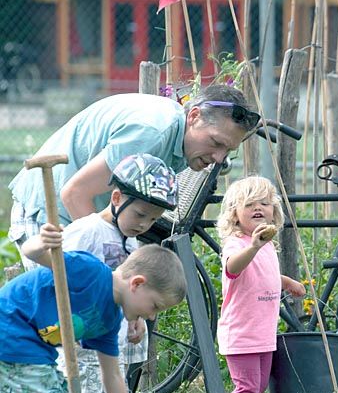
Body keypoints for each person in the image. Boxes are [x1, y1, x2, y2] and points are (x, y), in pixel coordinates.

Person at [8, 83, 259, 263]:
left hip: (77, 214)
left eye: (228, 150)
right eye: (216, 142)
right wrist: (108, 263)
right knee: (62, 322)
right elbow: (74, 194)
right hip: (48, 214)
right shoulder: (151, 133)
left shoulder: (184, 142)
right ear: (194, 116)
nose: (219, 158)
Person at [0, 227, 186, 393]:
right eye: (154, 306)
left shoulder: (109, 320)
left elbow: (113, 376)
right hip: (11, 329)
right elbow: (34, 253)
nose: (151, 316)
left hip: (32, 347)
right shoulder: (89, 271)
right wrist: (42, 241)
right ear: (137, 284)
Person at [55, 152, 178, 393]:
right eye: (140, 215)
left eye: (152, 219)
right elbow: (62, 279)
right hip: (84, 344)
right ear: (117, 198)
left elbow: (129, 289)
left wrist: (134, 319)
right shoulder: (86, 232)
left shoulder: (130, 240)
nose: (143, 224)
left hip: (110, 343)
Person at [216, 176, 306, 393]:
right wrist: (254, 246)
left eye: (265, 203)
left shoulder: (266, 247)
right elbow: (234, 268)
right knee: (246, 387)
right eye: (250, 204)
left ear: (273, 212)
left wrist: (286, 282)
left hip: (263, 334)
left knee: (259, 386)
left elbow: (261, 276)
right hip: (242, 333)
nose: (258, 207)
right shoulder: (238, 244)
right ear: (234, 215)